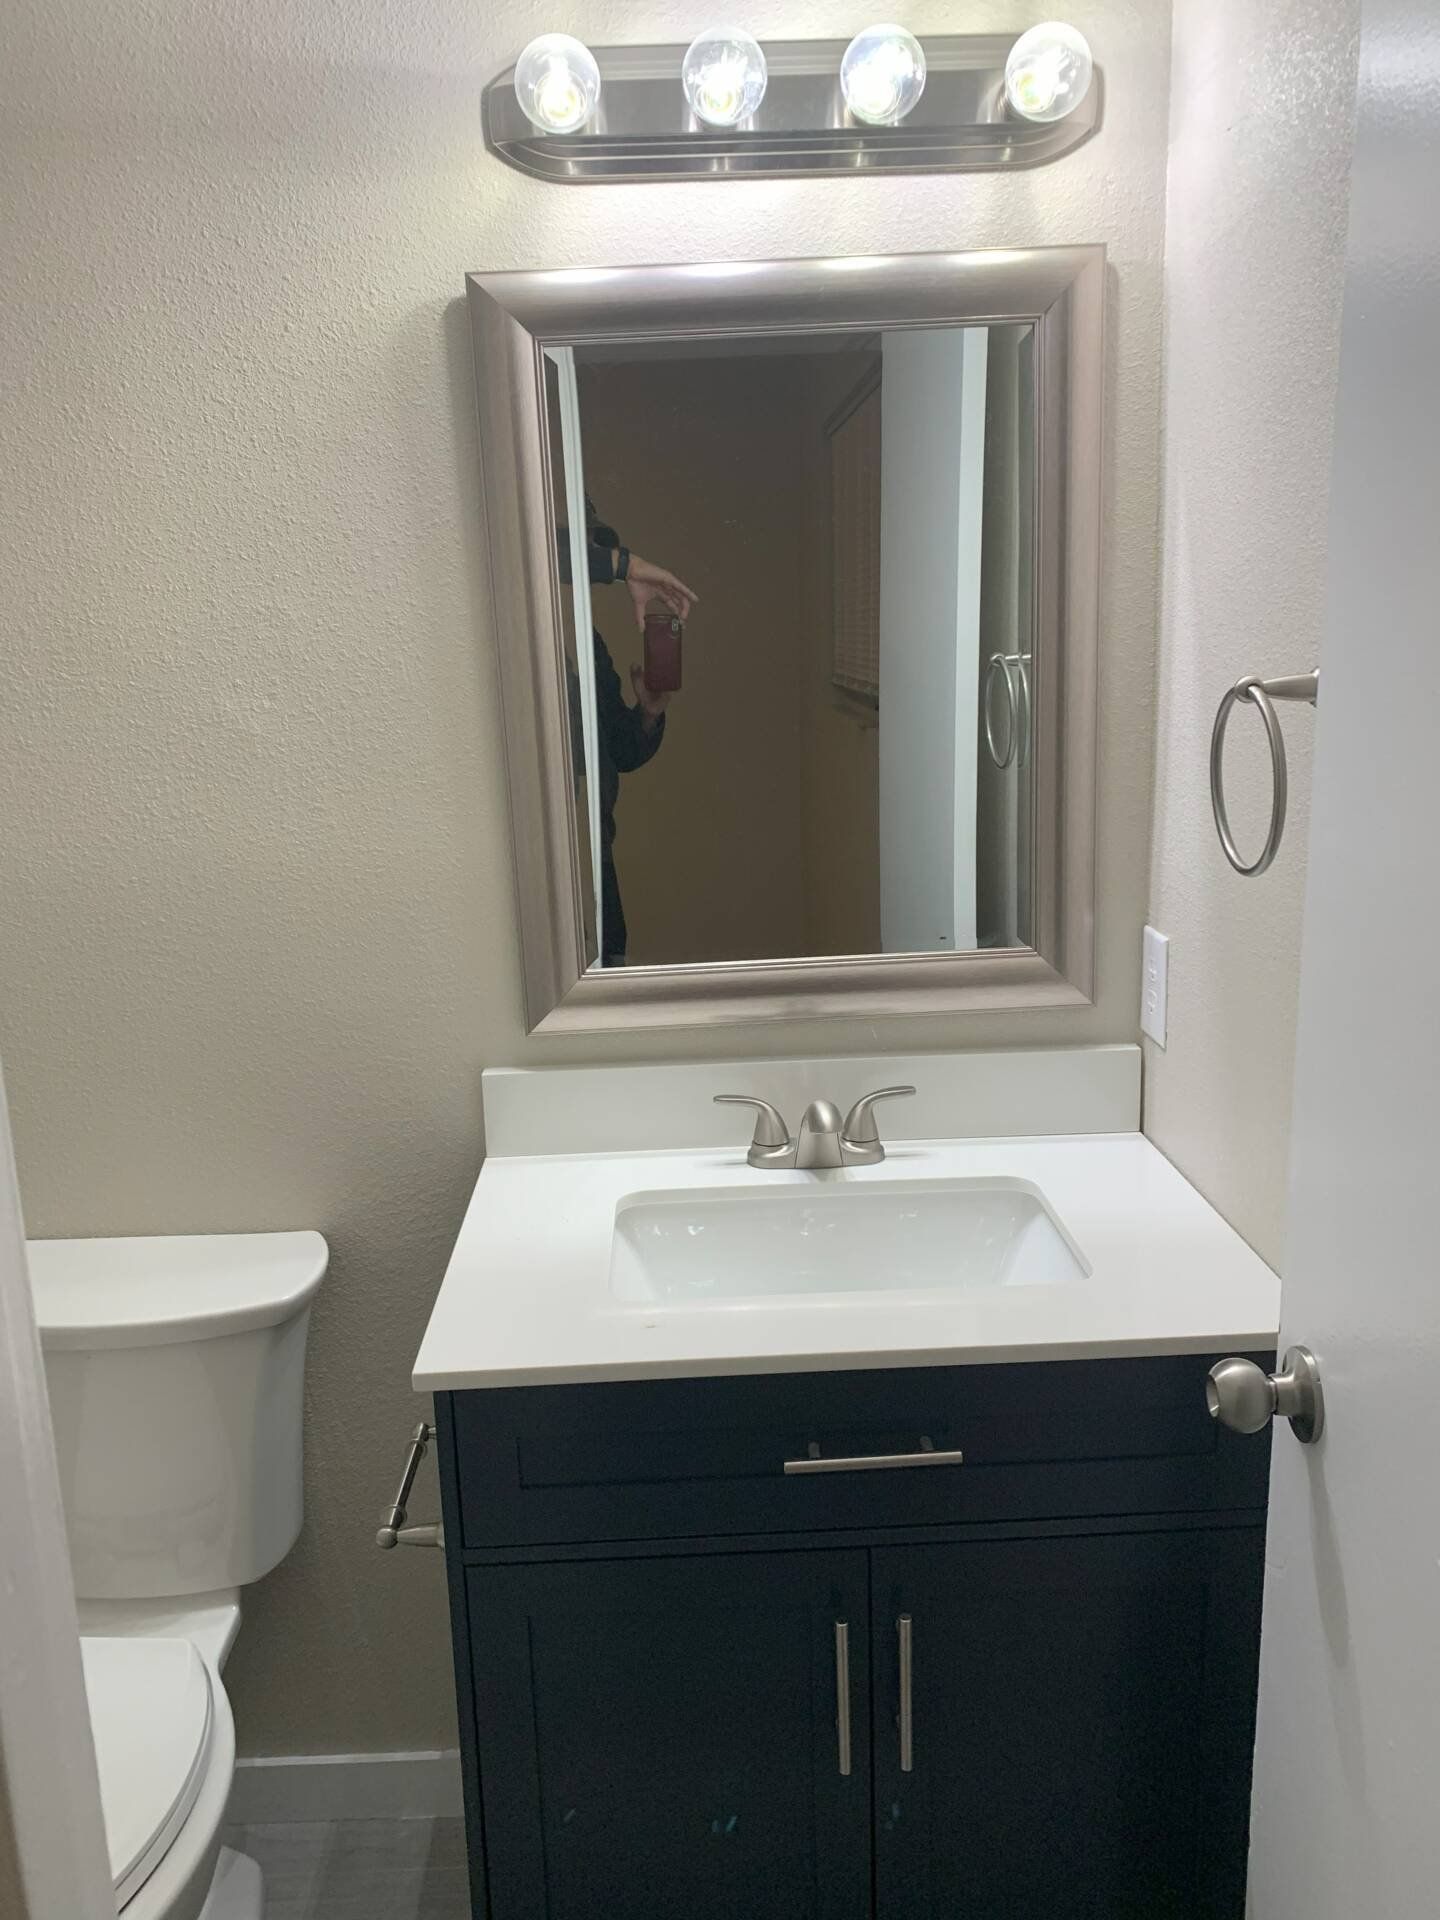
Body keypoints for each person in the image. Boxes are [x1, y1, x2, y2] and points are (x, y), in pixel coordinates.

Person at [560, 499, 698, 966]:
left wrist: (647, 714)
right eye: (582, 551)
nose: (587, 567)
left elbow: (619, 749)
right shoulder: (514, 633)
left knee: (611, 967)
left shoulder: (586, 640)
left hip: (597, 854)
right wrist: (626, 566)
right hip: (540, 856)